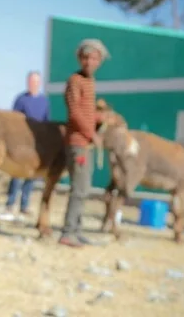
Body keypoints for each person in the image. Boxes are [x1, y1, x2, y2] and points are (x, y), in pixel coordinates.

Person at [59, 39, 110, 248]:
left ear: (100, 61)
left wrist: (101, 117)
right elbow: (75, 113)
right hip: (79, 142)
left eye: (95, 58)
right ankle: (68, 233)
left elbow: (86, 112)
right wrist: (92, 134)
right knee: (79, 189)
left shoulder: (89, 82)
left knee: (84, 188)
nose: (90, 62)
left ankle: (76, 231)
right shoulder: (75, 81)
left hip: (84, 143)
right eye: (86, 57)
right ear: (80, 59)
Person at [0, 71, 50, 221]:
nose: (33, 84)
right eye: (31, 81)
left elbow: (47, 121)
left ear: (39, 83)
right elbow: (13, 120)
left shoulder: (44, 101)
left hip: (37, 144)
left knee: (31, 175)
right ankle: (10, 204)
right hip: (21, 143)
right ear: (28, 82)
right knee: (17, 174)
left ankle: (24, 206)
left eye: (36, 81)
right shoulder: (21, 99)